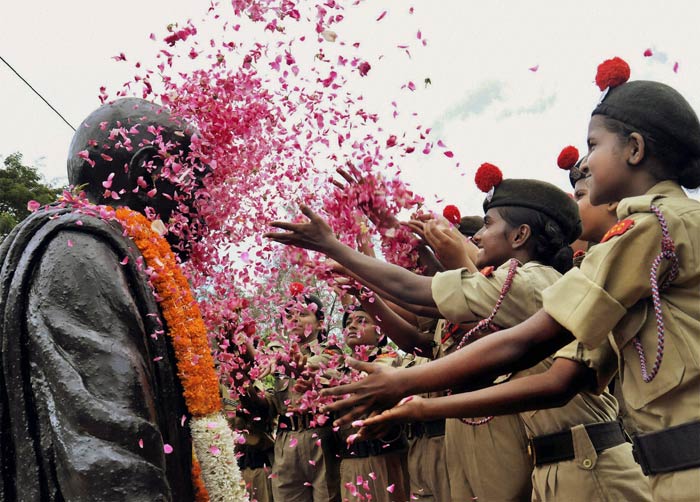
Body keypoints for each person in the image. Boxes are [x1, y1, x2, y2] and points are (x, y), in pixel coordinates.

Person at [284, 57, 700, 501]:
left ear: (634, 149)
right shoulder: (634, 250)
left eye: (593, 145)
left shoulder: (650, 227)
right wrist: (421, 404)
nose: (585, 162)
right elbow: (561, 379)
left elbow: (507, 332)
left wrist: (406, 385)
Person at [268, 161, 592, 501]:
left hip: (557, 452)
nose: (478, 236)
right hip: (494, 439)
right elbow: (424, 310)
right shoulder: (509, 282)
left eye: (487, 225)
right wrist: (385, 228)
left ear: (520, 235)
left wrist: (335, 246)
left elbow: (418, 291)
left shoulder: (529, 281)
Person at [0, 98, 215, 499]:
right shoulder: (80, 251)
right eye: (197, 181)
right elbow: (108, 459)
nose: (205, 204)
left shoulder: (115, 252)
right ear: (148, 171)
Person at [249, 287, 342, 502]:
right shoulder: (274, 361)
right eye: (289, 316)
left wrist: (285, 363)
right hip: (285, 442)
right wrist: (244, 384)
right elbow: (268, 406)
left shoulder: (331, 350)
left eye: (302, 313)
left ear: (320, 322)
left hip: (321, 438)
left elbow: (313, 368)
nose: (295, 319)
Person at [336, 307, 409, 502]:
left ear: (381, 332)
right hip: (350, 463)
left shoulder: (391, 361)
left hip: (385, 461)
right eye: (348, 322)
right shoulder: (337, 369)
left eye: (361, 321)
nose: (351, 326)